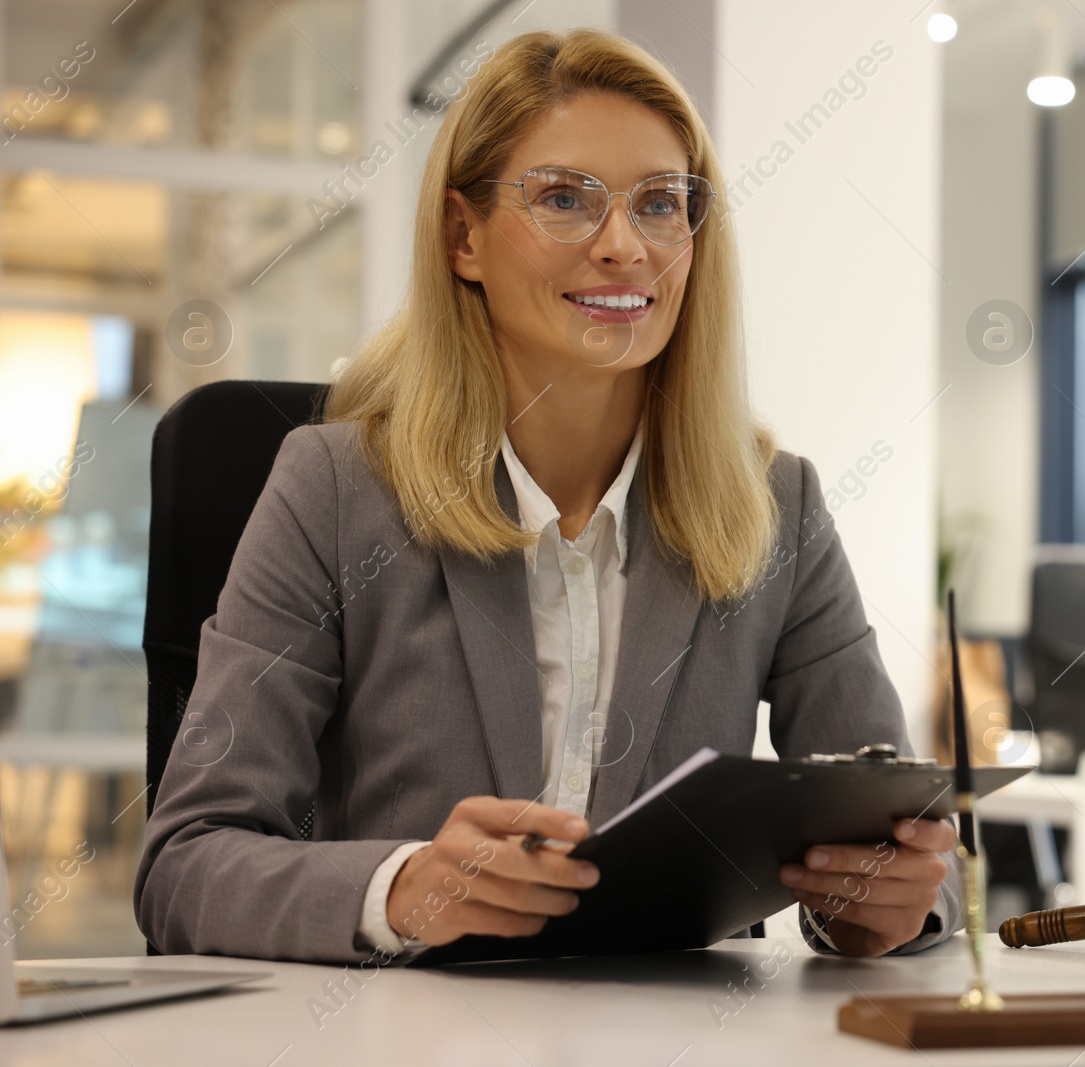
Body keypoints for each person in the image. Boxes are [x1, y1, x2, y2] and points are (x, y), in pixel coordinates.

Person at [135, 28, 961, 964]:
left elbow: (904, 835)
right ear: (464, 236)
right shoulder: (331, 490)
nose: (623, 247)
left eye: (660, 203)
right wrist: (403, 889)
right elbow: (185, 866)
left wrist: (885, 907)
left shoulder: (779, 505)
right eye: (564, 198)